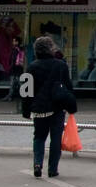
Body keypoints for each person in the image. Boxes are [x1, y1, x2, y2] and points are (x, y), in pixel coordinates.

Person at [24, 35, 74, 178]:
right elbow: (68, 87)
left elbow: (26, 91)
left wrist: (26, 110)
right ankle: (53, 169)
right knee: (56, 138)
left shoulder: (32, 67)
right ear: (51, 48)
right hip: (57, 108)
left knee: (39, 137)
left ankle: (37, 164)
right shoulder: (61, 65)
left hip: (39, 108)